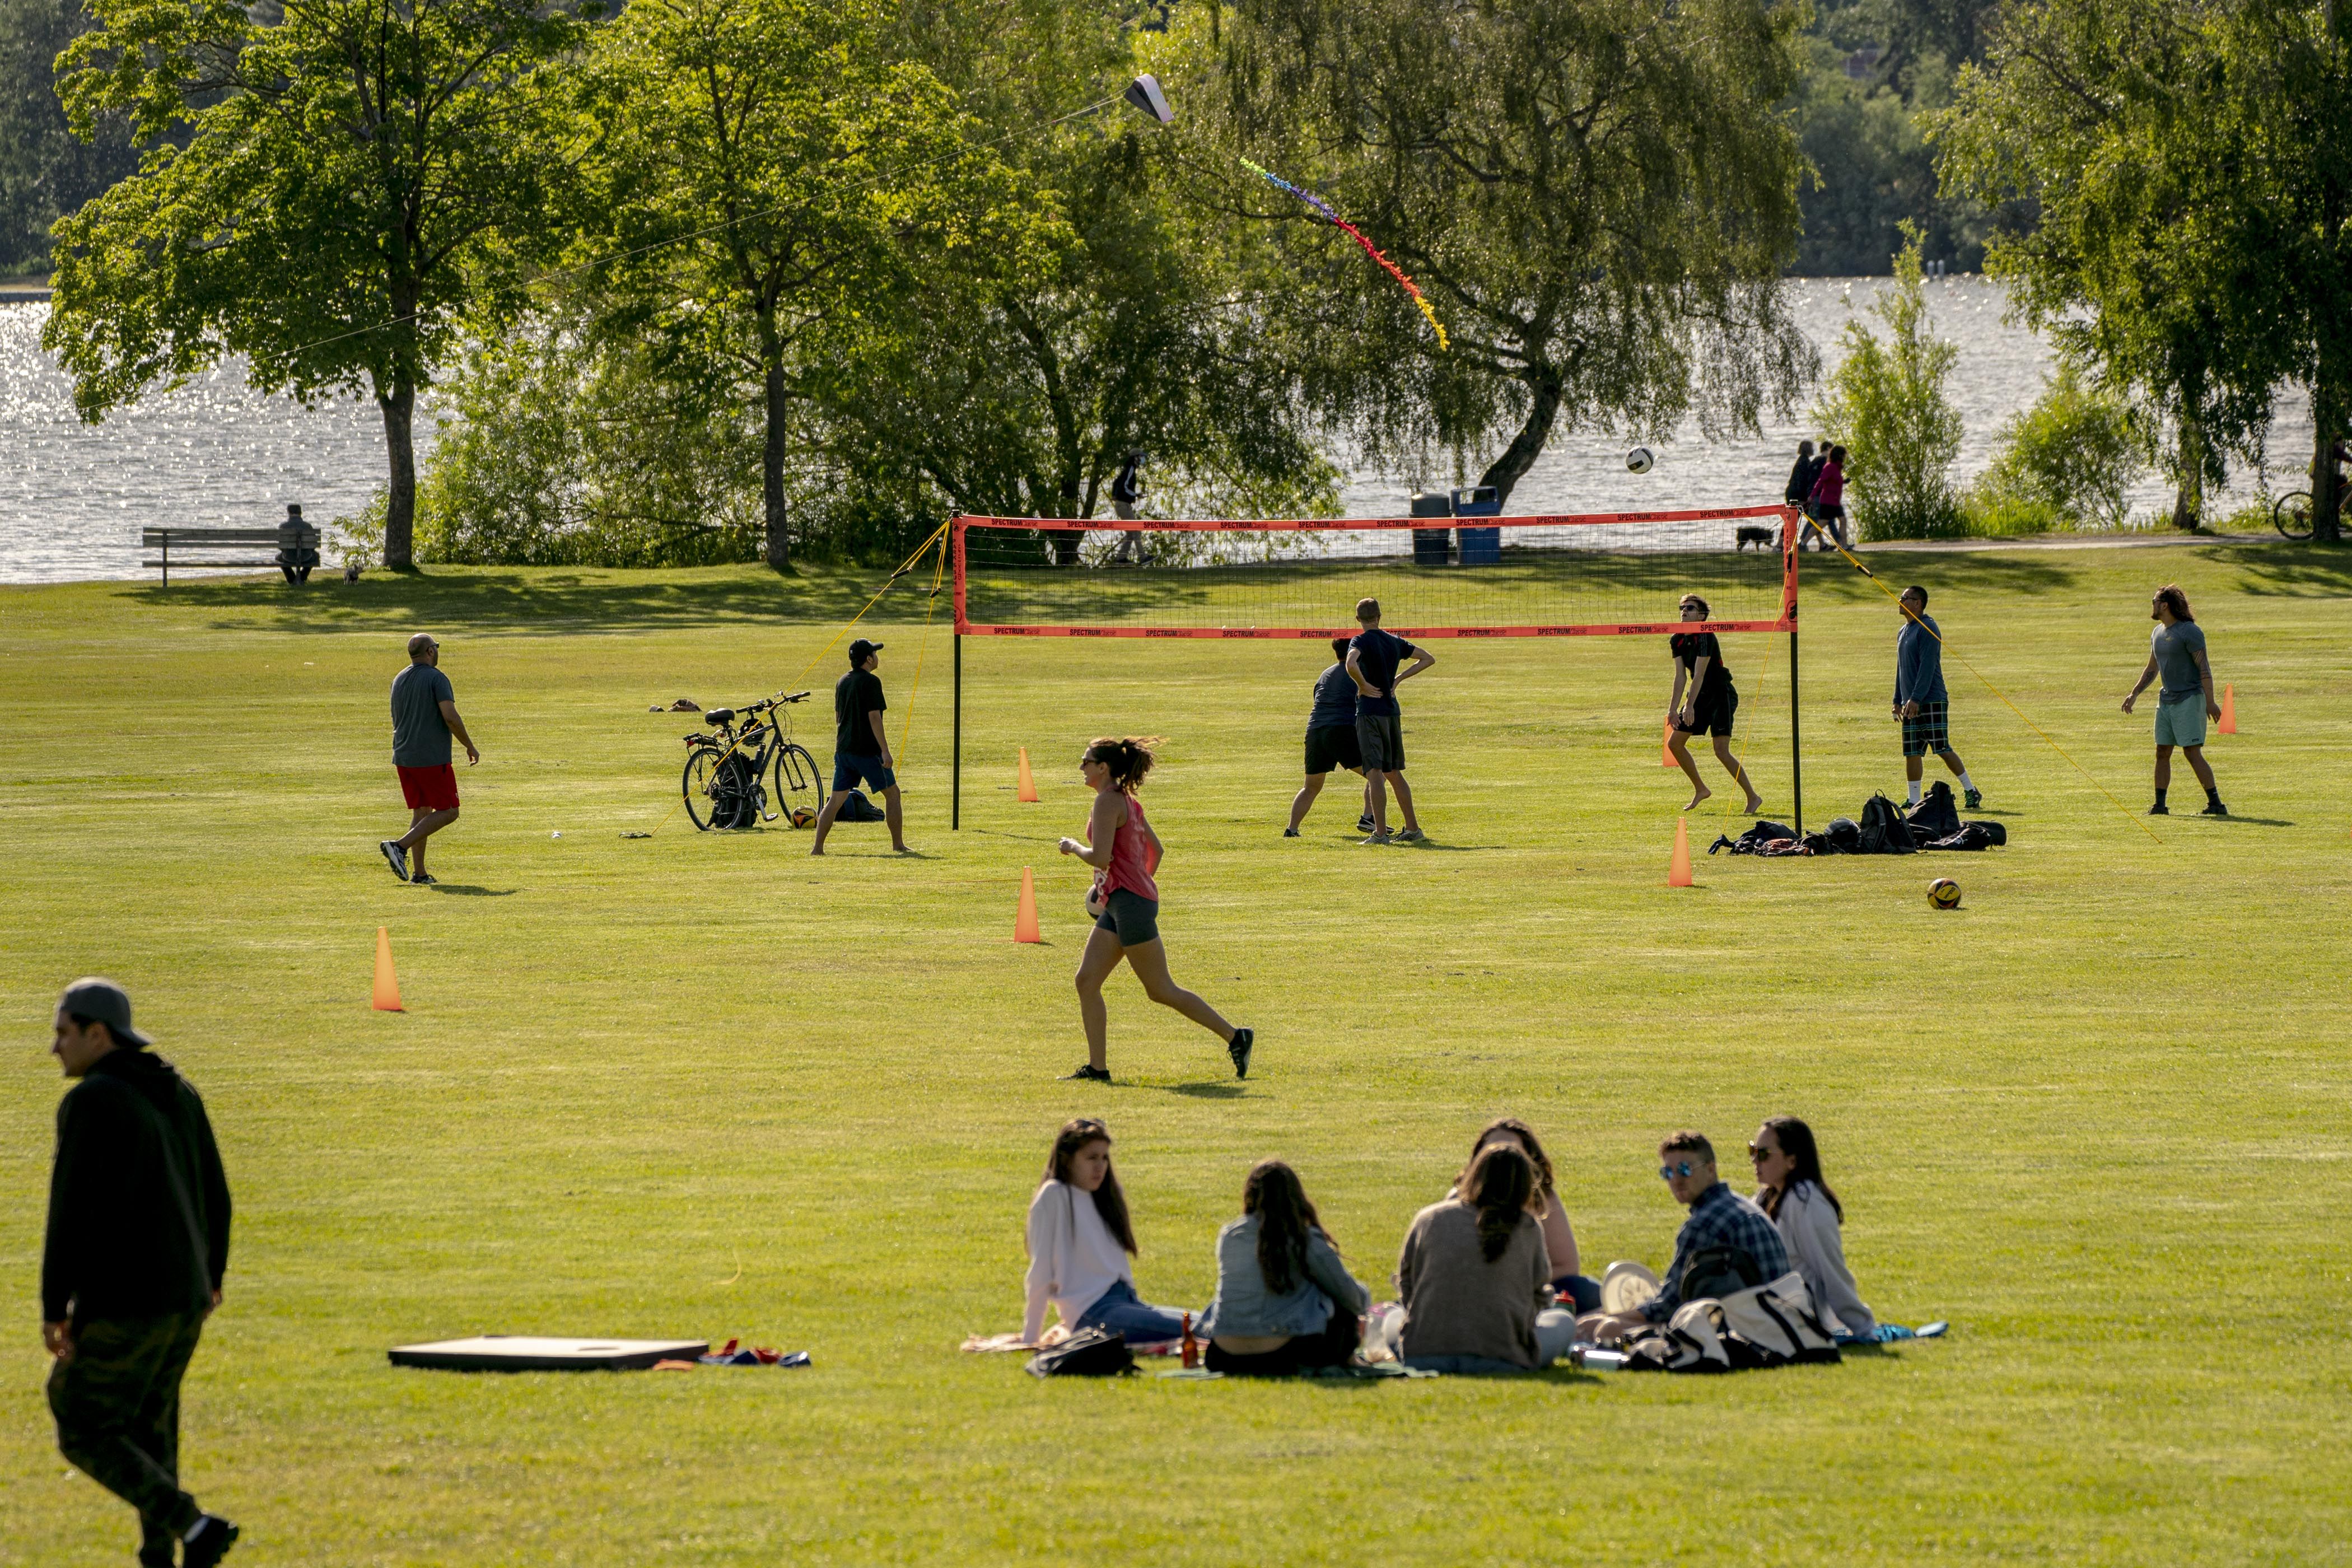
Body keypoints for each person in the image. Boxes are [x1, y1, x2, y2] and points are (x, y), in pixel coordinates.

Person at [44, 980, 240, 1568]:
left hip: (128, 1298)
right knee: (151, 1427)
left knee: (81, 1419)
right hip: (186, 1296)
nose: (54, 1047)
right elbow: (218, 1192)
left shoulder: (93, 1100)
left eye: (62, 1032)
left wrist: (55, 1307)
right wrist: (211, 1276)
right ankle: (160, 1555)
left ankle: (194, 1525)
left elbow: (69, 1210)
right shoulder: (176, 1089)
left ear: (96, 1034)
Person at [1057, 737, 1253, 1082]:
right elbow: (1156, 851)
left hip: (1129, 905)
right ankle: (1098, 1069)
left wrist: (1073, 847)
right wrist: (1135, 886)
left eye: (1085, 761)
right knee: (1087, 981)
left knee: (1160, 989)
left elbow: (1101, 857)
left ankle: (1236, 1037)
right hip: (1124, 903)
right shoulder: (1128, 802)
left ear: (1103, 768)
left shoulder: (1106, 802)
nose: (1081, 767)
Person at [1576, 1131, 1789, 1345]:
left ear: (1710, 1169)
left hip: (1740, 1334)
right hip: (1780, 1323)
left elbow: (1667, 1307)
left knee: (1608, 1329)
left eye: (1685, 1170)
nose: (1676, 1180)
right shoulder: (1744, 1206)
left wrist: (1606, 1318)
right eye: (1668, 1172)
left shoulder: (1703, 1224)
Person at [1394, 1143, 1579, 1372]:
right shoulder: (1527, 1227)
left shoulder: (1429, 1218)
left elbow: (1406, 1282)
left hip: (1425, 1354)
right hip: (1502, 1357)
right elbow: (1538, 1293)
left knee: (1390, 1318)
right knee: (1562, 1322)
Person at [1022, 1118, 1191, 1346]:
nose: (1100, 1166)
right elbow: (1040, 1272)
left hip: (1128, 1304)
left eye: (1104, 1158)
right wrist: (1030, 1338)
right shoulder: (1055, 1195)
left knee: (1208, 1322)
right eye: (1091, 1158)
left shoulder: (1104, 1196)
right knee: (1203, 1328)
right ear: (1066, 1160)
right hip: (1094, 1314)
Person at [1198, 1160, 1370, 1375]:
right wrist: (1364, 1294)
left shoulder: (1230, 1236)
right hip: (1285, 1354)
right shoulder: (1304, 1239)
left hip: (1224, 1354)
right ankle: (1348, 1358)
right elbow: (1350, 1297)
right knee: (1334, 1304)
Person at [1453, 1118, 1600, 1314]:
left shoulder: (1543, 1199)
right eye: (1491, 1150)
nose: (1500, 1158)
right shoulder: (1456, 1201)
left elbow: (1567, 1266)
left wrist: (1521, 1283)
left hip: (1529, 1289)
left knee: (1587, 1290)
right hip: (1472, 1293)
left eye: (1510, 1150)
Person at [1748, 1117, 1877, 1341]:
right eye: (1752, 1150)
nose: (1755, 1160)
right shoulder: (1766, 1196)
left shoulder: (1807, 1204)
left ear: (1792, 1161)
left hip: (1798, 1320)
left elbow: (1831, 1270)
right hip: (1765, 1313)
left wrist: (1863, 1328)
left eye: (1764, 1154)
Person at [379, 632, 479, 886]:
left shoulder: (399, 678)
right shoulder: (437, 678)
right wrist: (469, 745)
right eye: (436, 647)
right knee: (449, 811)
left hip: (403, 756)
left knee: (422, 811)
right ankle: (399, 847)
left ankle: (420, 874)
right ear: (430, 652)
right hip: (431, 757)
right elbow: (450, 716)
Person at [2122, 584, 2226, 816]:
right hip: (2167, 700)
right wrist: (2135, 693)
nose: (2152, 605)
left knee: (2191, 751)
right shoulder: (2158, 632)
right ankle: (2160, 805)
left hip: (2190, 698)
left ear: (2165, 605)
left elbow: (2205, 669)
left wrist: (2210, 702)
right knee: (2162, 751)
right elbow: (2152, 667)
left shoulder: (2190, 632)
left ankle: (2216, 804)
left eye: (2154, 601)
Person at [1346, 598, 1435, 844]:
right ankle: (1414, 830)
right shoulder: (1394, 641)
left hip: (1369, 712)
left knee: (1375, 773)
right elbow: (1428, 658)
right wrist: (1398, 680)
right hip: (1391, 711)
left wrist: (1362, 685)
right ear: (1380, 616)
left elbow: (1350, 663)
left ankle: (1381, 834)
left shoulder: (1359, 641)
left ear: (1358, 620)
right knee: (1394, 772)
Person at [811, 638, 910, 854]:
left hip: (844, 749)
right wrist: (884, 750)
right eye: (874, 653)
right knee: (893, 794)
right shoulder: (872, 682)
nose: (877, 656)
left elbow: (838, 716)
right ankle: (898, 845)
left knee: (836, 800)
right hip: (867, 751)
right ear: (868, 659)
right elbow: (875, 717)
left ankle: (817, 848)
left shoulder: (842, 681)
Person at [1667, 594, 1763, 815]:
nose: (1684, 611)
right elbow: (1681, 677)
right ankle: (1701, 789)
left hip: (1721, 693)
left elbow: (1699, 674)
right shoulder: (1676, 639)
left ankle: (1753, 797)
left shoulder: (1706, 636)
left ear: (1701, 616)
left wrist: (1689, 706)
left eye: (1690, 608)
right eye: (1682, 608)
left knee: (1721, 751)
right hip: (1700, 695)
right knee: (1675, 744)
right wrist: (1673, 709)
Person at [1893, 586, 1981, 810]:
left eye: (1905, 598)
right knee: (1912, 752)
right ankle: (1914, 800)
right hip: (1910, 701)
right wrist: (1898, 700)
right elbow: (1901, 669)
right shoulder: (1903, 631)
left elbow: (1928, 667)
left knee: (1941, 747)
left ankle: (1971, 790)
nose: (1900, 600)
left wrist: (1916, 698)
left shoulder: (1928, 628)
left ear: (1918, 603)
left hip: (1930, 699)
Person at [1286, 637, 1376, 837]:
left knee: (1310, 787)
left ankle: (1291, 830)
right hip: (1340, 730)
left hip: (1315, 731)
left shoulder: (1325, 673)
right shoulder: (1356, 673)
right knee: (1376, 773)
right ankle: (1369, 818)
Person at [1807, 444, 1850, 551]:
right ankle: (1804, 542)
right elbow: (1820, 482)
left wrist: (1843, 481)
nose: (1845, 457)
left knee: (1843, 520)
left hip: (1835, 501)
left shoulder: (1837, 467)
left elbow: (1834, 481)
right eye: (1844, 455)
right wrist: (1812, 496)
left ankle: (1844, 546)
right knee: (1822, 523)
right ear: (1839, 455)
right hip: (1828, 501)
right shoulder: (1830, 466)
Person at [1781, 439, 1821, 549]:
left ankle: (1822, 544)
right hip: (1797, 496)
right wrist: (1803, 499)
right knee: (1811, 519)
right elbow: (1801, 483)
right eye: (1812, 447)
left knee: (1806, 519)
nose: (1814, 449)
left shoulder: (1802, 461)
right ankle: (1785, 544)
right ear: (1809, 449)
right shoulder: (1804, 463)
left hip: (1793, 494)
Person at [1108, 450, 1147, 564]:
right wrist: (1136, 495)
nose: (1143, 459)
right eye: (1141, 457)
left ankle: (1121, 559)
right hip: (1123, 506)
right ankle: (1143, 558)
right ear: (1136, 458)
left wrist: (1115, 495)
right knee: (1136, 531)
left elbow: (1116, 483)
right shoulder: (1130, 469)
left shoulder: (1128, 469)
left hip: (1123, 505)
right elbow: (1124, 487)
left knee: (1131, 534)